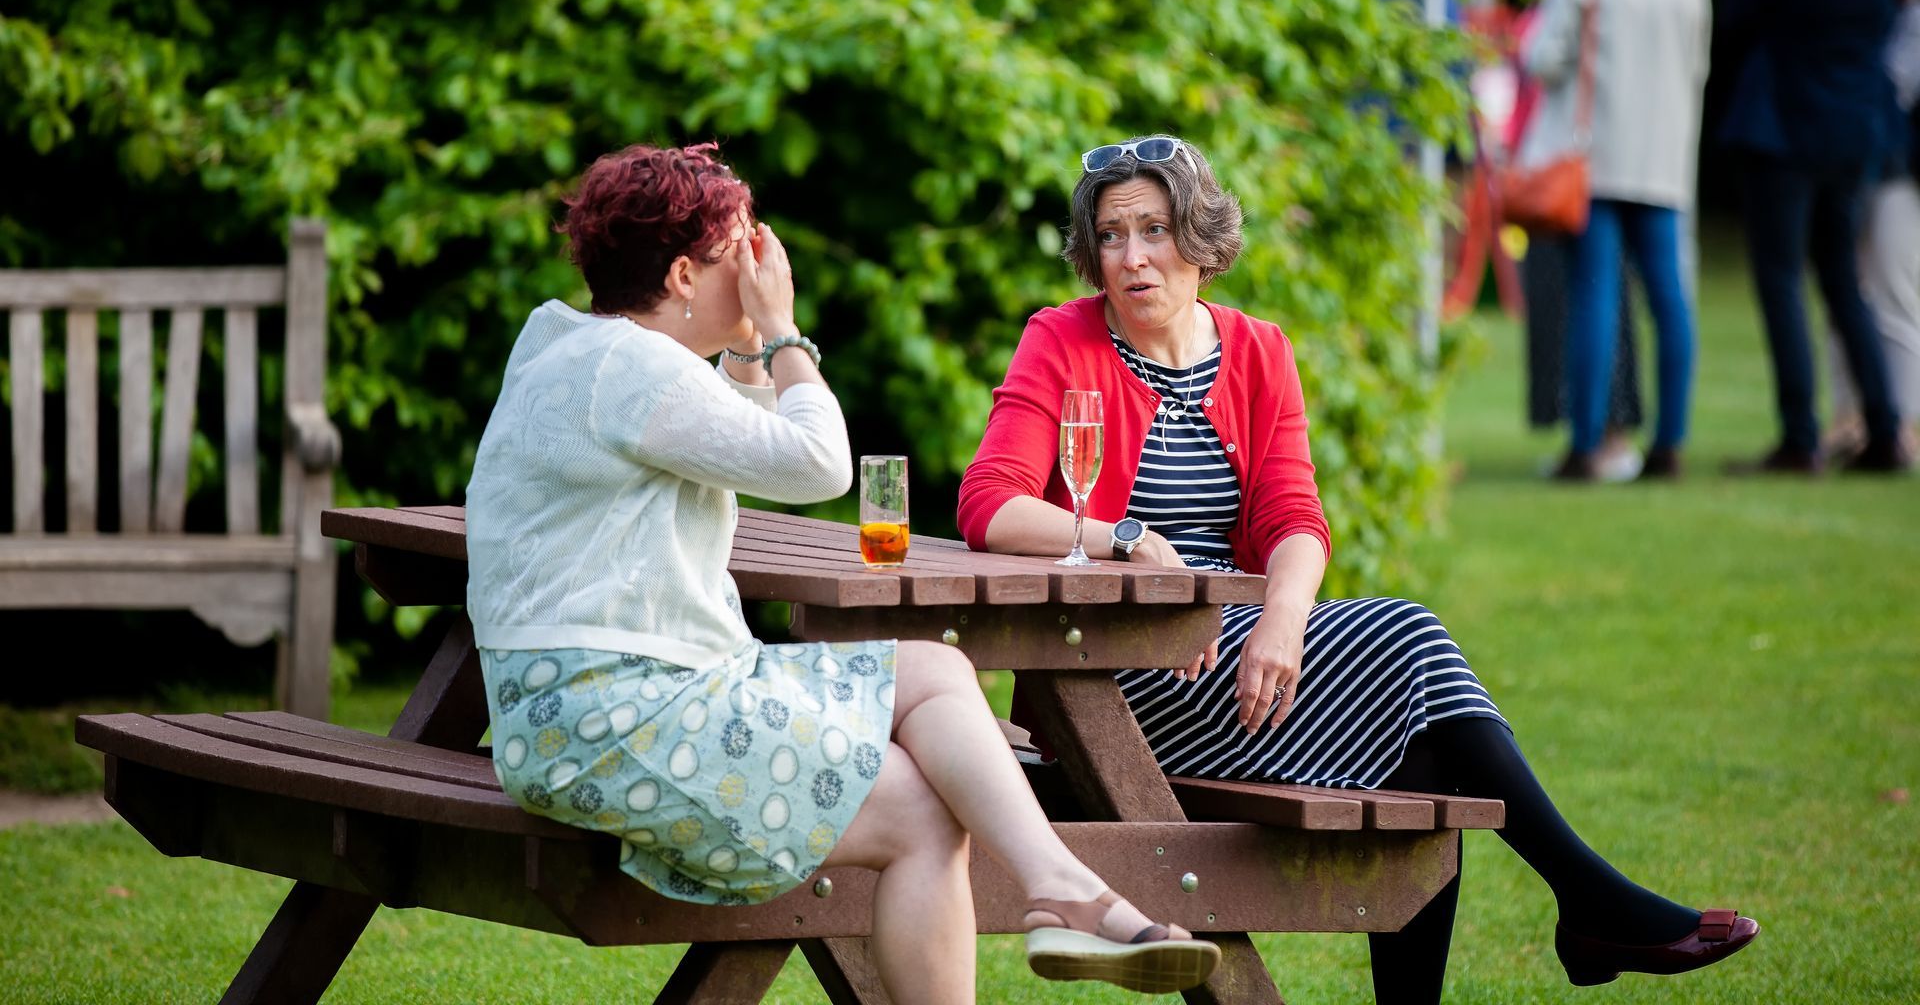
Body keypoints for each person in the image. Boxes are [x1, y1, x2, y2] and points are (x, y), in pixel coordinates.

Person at [958, 135, 1759, 1003]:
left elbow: (1296, 519)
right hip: (1117, 682)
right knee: (1409, 641)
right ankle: (1590, 897)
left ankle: (1577, 910)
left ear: (1199, 238)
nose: (1132, 257)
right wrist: (1124, 538)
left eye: (1154, 229)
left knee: (1419, 752)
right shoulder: (1063, 339)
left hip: (1233, 663)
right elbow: (988, 504)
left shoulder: (1259, 351)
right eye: (1111, 236)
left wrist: (1283, 621)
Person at [465, 143, 1220, 1001]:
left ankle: (1063, 892)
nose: (757, 271)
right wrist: (783, 331)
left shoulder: (586, 351)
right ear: (681, 275)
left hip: (607, 701)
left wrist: (748, 347)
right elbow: (820, 464)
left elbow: (737, 451)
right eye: (738, 255)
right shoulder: (631, 374)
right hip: (611, 722)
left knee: (936, 667)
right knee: (920, 813)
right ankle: (1070, 896)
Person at [1720, 0, 1910, 473]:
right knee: (1844, 284)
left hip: (1784, 133)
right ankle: (1884, 428)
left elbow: (1738, 14)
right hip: (1855, 134)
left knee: (1780, 281)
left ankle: (1801, 436)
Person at [1521, 0, 1711, 482]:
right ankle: (1671, 443)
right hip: (1664, 162)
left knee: (1596, 297)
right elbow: (1698, 69)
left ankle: (1584, 445)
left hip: (1596, 157)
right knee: (1670, 301)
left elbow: (1548, 55)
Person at [1505, 0, 1647, 479]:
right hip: (1543, 175)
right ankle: (1584, 430)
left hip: (1573, 176)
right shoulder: (1543, 9)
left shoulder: (1580, 9)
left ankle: (1607, 435)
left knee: (1596, 295)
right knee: (1563, 300)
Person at [1824, 0, 1920, 461]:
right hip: (1847, 168)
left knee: (1893, 294)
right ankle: (1848, 416)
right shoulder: (1854, 21)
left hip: (1895, 174)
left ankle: (1902, 421)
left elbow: (1892, 89)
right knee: (1843, 294)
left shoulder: (1907, 20)